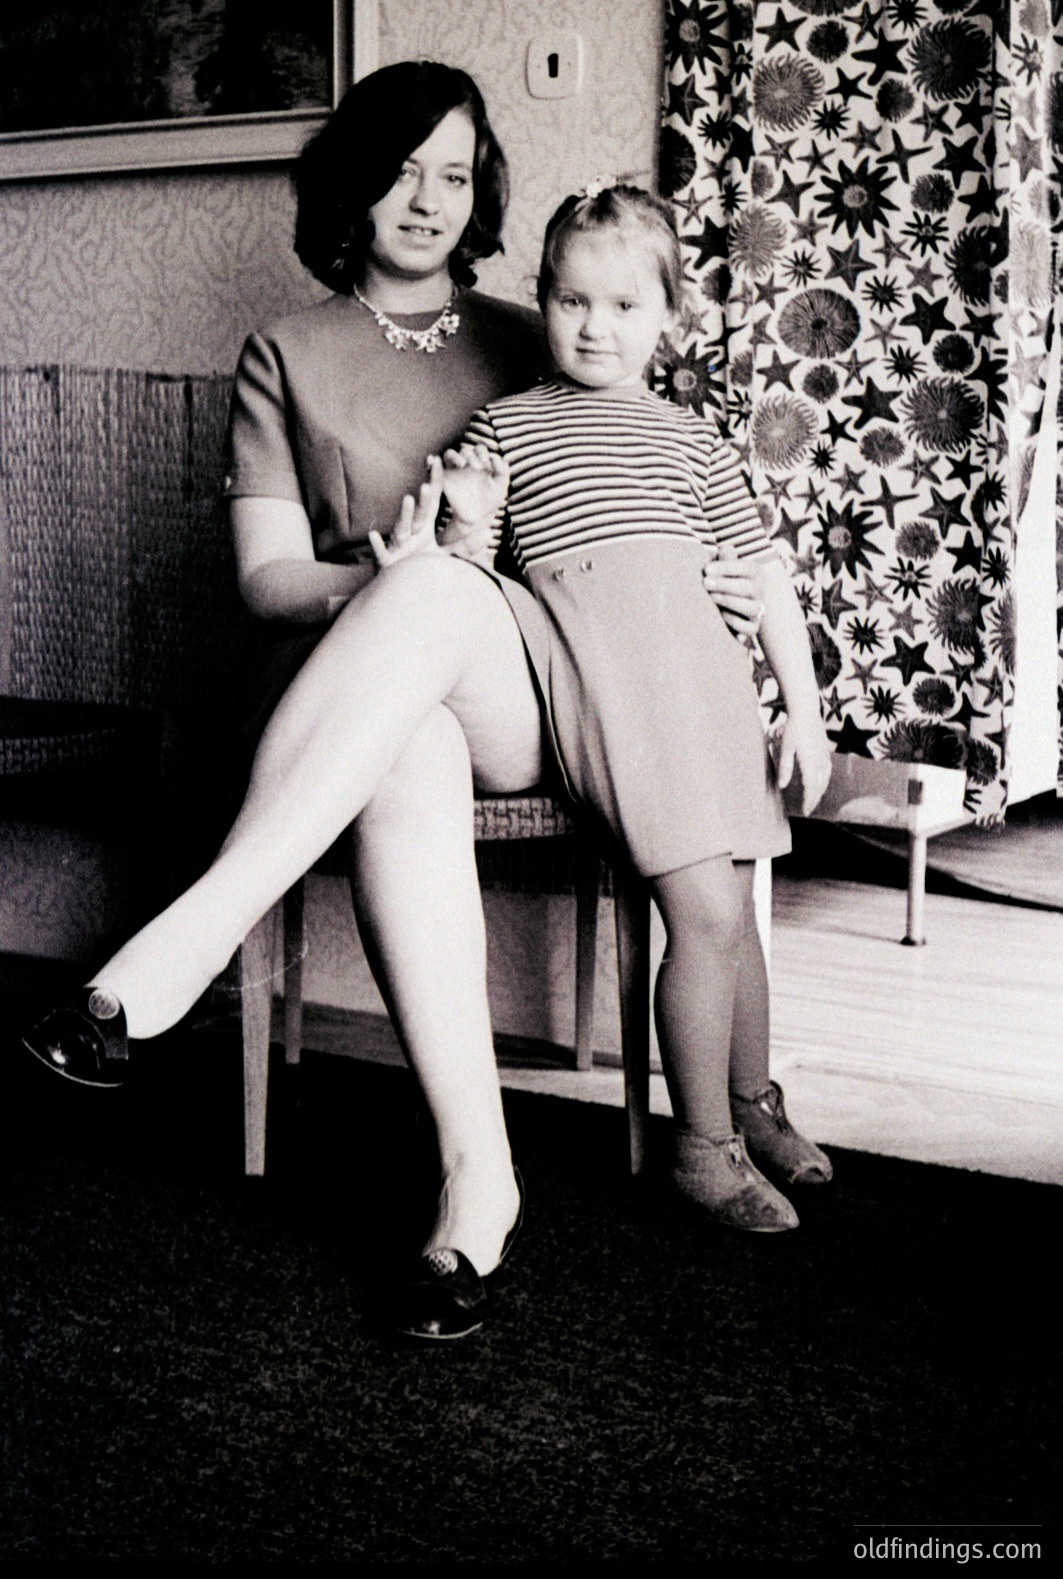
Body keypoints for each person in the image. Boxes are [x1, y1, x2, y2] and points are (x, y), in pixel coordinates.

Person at [20, 91, 809, 1340]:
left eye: (454, 172)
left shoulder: (536, 336)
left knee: (443, 591)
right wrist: (377, 581)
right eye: (400, 171)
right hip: (359, 688)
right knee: (410, 730)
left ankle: (183, 943)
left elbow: (655, 493)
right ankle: (476, 1183)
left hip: (553, 692)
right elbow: (267, 581)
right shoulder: (286, 351)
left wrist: (725, 586)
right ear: (351, 190)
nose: (429, 197)